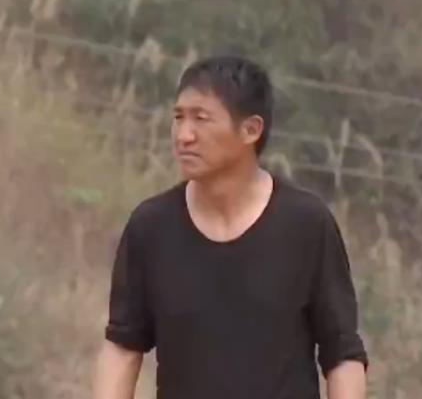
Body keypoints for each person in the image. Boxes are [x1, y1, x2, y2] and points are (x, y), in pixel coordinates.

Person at [93, 55, 368, 399]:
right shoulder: (151, 226)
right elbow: (123, 346)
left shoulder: (306, 224)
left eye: (201, 119)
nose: (184, 135)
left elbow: (341, 352)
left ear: (251, 130)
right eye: (178, 118)